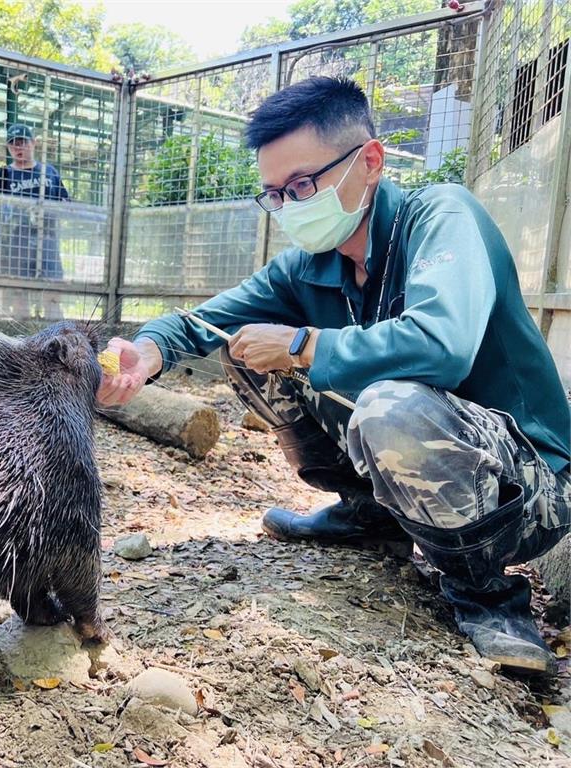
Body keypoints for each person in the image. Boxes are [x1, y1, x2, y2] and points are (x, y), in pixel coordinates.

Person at [97, 76, 571, 676]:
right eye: (276, 193)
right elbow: (206, 321)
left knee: (388, 406)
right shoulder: (310, 265)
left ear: (369, 161)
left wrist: (302, 343)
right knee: (246, 351)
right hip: (421, 457)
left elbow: (442, 346)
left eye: (302, 184)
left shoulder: (440, 217)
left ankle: (486, 594)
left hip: (529, 486)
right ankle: (369, 514)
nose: (291, 206)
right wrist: (146, 352)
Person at [0, 123, 70, 282]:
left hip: (47, 242)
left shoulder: (49, 172)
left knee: (53, 292)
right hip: (16, 244)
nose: (18, 148)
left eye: (22, 142)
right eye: (13, 144)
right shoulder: (3, 174)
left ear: (33, 143)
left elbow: (65, 203)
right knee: (19, 295)